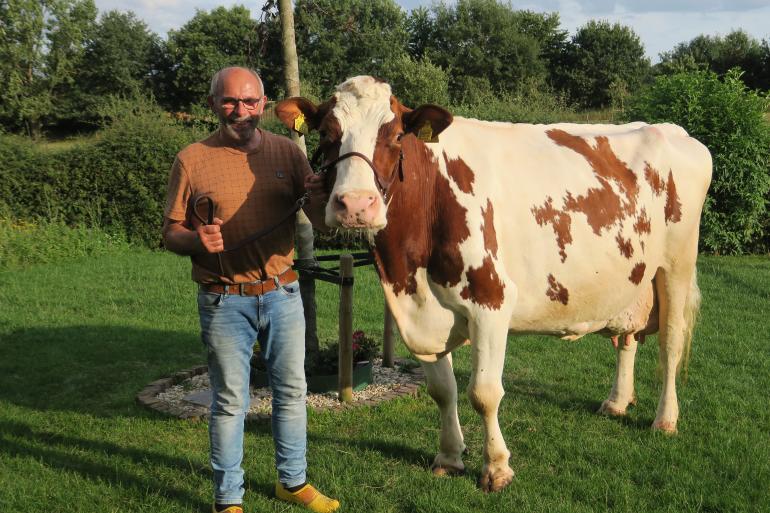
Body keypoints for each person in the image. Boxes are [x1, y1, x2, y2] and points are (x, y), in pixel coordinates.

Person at [162, 66, 339, 513]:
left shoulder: (287, 153)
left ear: (263, 104)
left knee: (292, 393)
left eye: (248, 102)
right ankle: (228, 499)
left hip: (283, 294)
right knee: (229, 403)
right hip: (223, 300)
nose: (239, 111)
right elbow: (170, 233)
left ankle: (293, 481)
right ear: (212, 104)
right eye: (228, 101)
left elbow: (316, 221)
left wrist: (318, 198)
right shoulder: (191, 159)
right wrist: (195, 240)